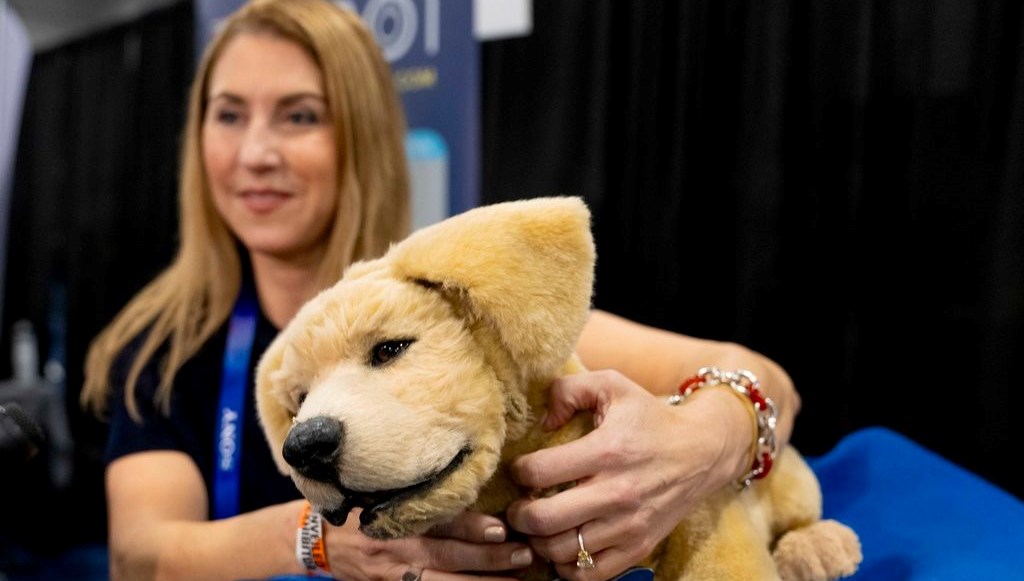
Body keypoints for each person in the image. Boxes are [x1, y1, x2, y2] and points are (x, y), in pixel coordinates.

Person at [80, 1, 800, 580]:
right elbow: (140, 554)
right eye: (229, 113)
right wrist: (321, 540)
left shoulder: (451, 305)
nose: (254, 153)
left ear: (359, 136)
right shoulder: (162, 347)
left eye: (299, 115)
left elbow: (760, 376)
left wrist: (691, 450)